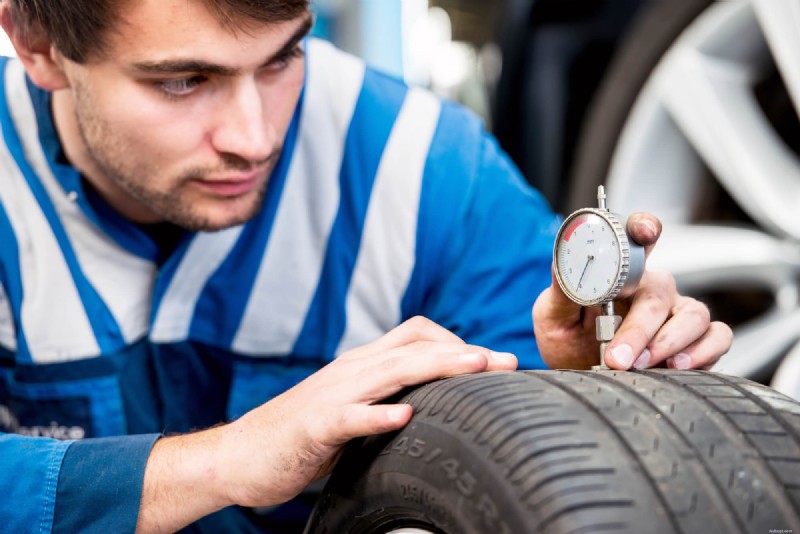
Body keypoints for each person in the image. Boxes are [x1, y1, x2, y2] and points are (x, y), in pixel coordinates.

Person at [0, 0, 732, 532]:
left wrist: (586, 382)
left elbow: (558, 453)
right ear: (36, 46)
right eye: (183, 81)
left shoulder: (419, 166)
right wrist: (223, 461)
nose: (254, 139)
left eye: (284, 55)